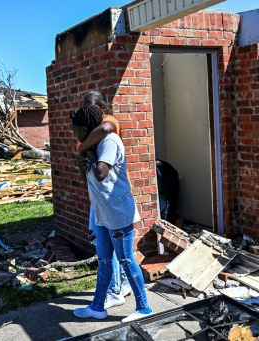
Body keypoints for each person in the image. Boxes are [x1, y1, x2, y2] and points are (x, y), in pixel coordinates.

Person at [71, 104, 152, 322]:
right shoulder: (94, 144)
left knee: (126, 259)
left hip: (117, 212)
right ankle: (98, 307)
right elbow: (88, 180)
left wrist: (86, 149)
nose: (74, 134)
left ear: (86, 128)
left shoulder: (109, 142)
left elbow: (100, 173)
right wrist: (82, 163)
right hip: (101, 213)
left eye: (76, 130)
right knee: (105, 260)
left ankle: (144, 308)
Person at [77, 91, 131, 311]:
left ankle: (116, 290)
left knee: (116, 250)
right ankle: (116, 288)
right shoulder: (92, 134)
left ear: (102, 108)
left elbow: (105, 130)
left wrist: (82, 147)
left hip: (112, 199)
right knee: (106, 249)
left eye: (92, 108)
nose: (89, 113)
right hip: (99, 198)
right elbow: (87, 172)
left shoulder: (108, 125)